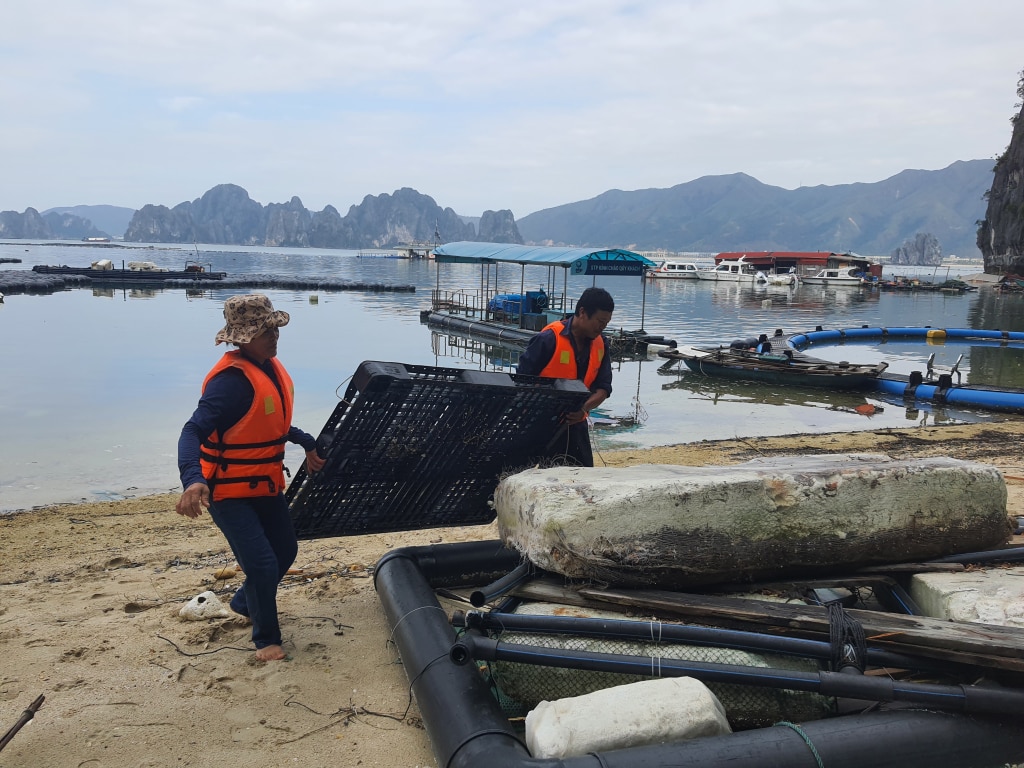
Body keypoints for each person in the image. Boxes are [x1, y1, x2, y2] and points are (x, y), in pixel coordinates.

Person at [176, 294, 325, 662]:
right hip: (226, 492)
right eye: (264, 331)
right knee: (261, 564)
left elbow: (266, 420)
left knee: (285, 551)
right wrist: (193, 479)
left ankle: (245, 601)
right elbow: (192, 431)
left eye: (274, 329)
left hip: (264, 483)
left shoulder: (269, 367)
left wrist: (305, 441)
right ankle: (266, 641)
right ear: (242, 338)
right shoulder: (229, 384)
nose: (273, 337)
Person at [517, 286, 614, 467]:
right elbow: (521, 382)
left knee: (583, 481)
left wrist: (583, 410)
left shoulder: (602, 344)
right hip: (540, 426)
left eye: (606, 323)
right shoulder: (548, 339)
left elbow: (604, 388)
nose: (602, 328)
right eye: (600, 322)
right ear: (582, 312)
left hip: (576, 426)